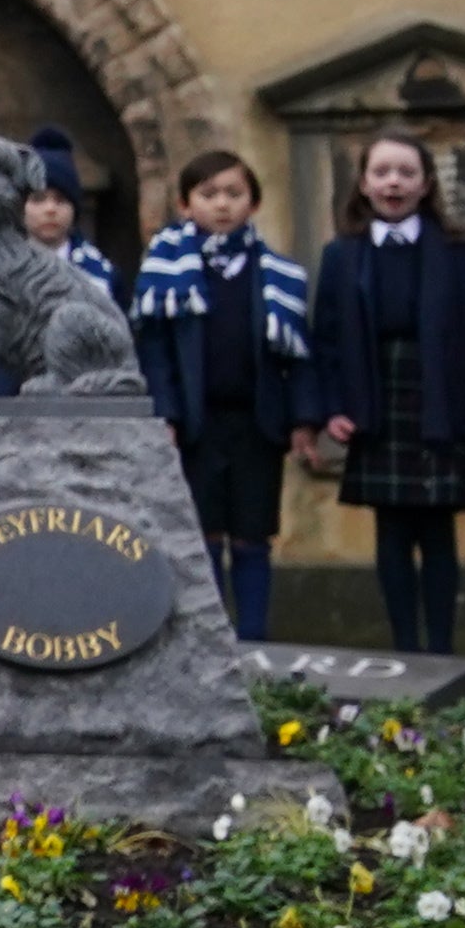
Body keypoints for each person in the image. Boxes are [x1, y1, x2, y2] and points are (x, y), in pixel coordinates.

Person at [300, 131, 465, 657]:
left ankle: (442, 650)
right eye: (382, 172)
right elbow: (328, 340)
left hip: (438, 397)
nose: (394, 182)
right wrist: (330, 409)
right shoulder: (342, 254)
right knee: (391, 531)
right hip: (375, 399)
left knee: (437, 532)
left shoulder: (457, 248)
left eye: (406, 172)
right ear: (363, 183)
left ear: (426, 183)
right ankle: (405, 647)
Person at [132, 149, 307, 640]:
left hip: (257, 424)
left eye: (234, 194)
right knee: (200, 534)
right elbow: (157, 353)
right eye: (208, 195)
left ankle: (253, 637)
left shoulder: (276, 274)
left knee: (252, 536)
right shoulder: (167, 273)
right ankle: (206, 639)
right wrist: (163, 414)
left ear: (253, 203)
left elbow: (296, 358)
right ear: (185, 205)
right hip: (195, 425)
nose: (222, 205)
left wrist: (301, 419)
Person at [19, 132, 119, 301]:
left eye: (61, 200)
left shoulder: (101, 273)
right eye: (38, 199)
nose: (50, 209)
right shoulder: (0, 269)